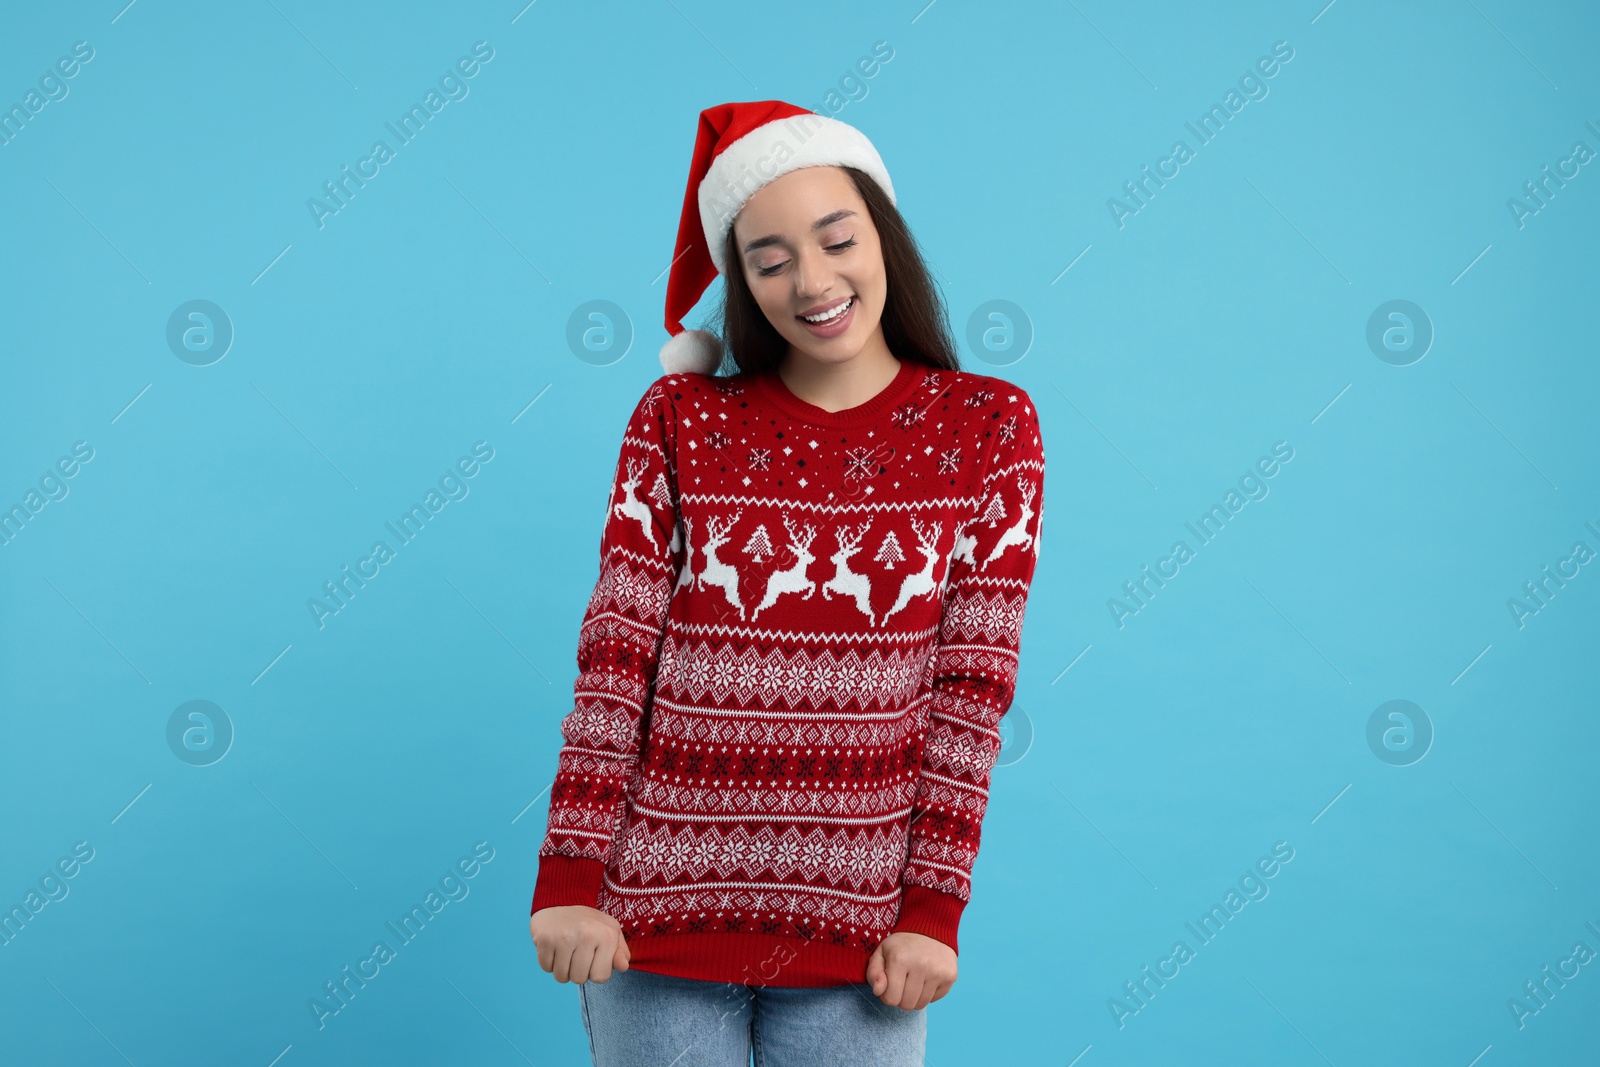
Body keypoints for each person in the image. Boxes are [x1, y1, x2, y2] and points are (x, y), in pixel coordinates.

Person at [528, 100, 1046, 1067]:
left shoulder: (990, 429)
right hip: (651, 924)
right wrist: (568, 878)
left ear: (883, 238)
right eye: (769, 260)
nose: (812, 280)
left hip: (865, 947)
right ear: (742, 282)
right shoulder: (679, 419)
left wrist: (934, 910)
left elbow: (970, 693)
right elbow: (615, 659)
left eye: (836, 238)